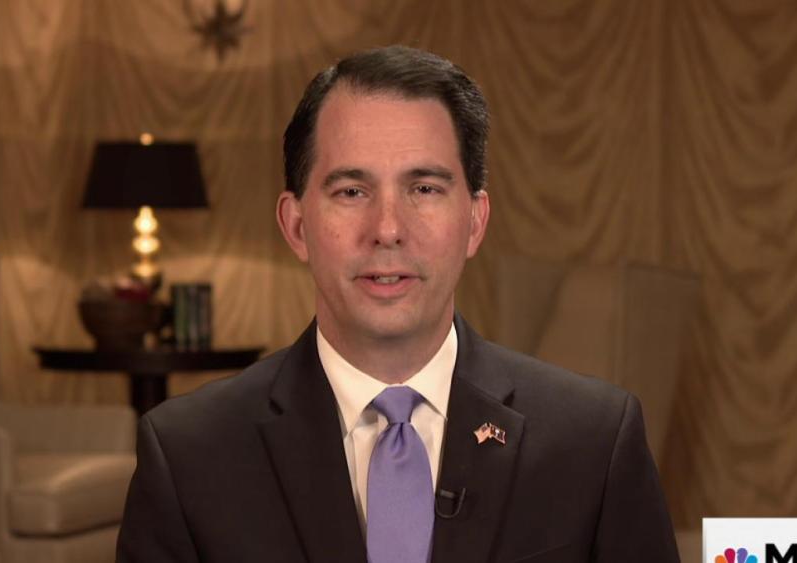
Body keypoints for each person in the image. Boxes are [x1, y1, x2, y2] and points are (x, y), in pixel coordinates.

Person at [117, 45, 680, 563]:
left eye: (424, 189)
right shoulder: (189, 455)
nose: (387, 229)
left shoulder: (595, 441)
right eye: (351, 191)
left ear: (475, 222)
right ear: (296, 226)